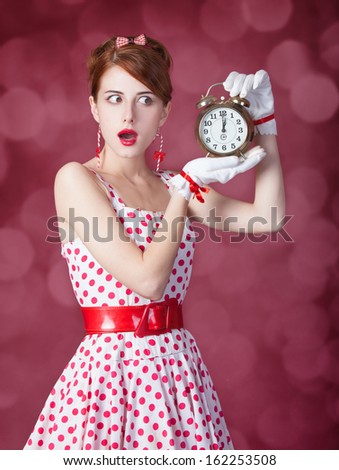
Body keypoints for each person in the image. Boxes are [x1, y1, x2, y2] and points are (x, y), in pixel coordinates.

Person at [24, 34, 285, 450]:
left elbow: (269, 217)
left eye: (145, 100)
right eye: (113, 98)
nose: (128, 115)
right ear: (94, 107)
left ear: (165, 112)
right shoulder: (76, 179)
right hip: (110, 380)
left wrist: (266, 125)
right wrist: (185, 190)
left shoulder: (173, 184)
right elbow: (148, 281)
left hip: (179, 375)